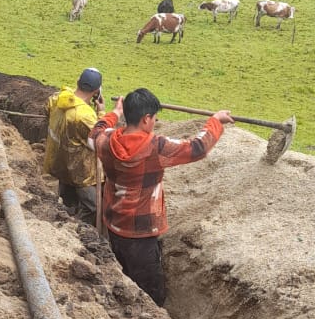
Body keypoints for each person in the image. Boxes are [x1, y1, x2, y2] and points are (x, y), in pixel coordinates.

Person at [90, 88, 233, 306]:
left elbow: (95, 131)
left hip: (113, 223)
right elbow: (197, 148)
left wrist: (115, 113)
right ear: (146, 119)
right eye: (155, 118)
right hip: (141, 231)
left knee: (122, 271)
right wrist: (215, 121)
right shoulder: (156, 147)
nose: (155, 122)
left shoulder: (107, 140)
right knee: (151, 290)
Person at [44, 67, 105, 223]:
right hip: (80, 171)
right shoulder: (85, 115)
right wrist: (101, 113)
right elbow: (99, 139)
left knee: (67, 201)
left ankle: (66, 218)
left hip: (59, 163)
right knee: (93, 207)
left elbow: (47, 110)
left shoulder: (57, 99)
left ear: (78, 82)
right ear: (96, 91)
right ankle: (76, 229)